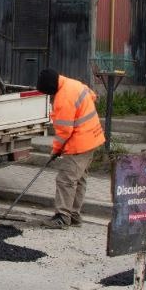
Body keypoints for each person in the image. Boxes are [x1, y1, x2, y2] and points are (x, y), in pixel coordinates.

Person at [34, 68, 105, 228]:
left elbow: (64, 131)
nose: (50, 97)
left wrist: (56, 150)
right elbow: (92, 96)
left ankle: (62, 217)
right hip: (92, 139)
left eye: (49, 94)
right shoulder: (73, 84)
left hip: (80, 143)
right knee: (79, 179)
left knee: (66, 180)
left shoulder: (63, 98)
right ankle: (74, 215)